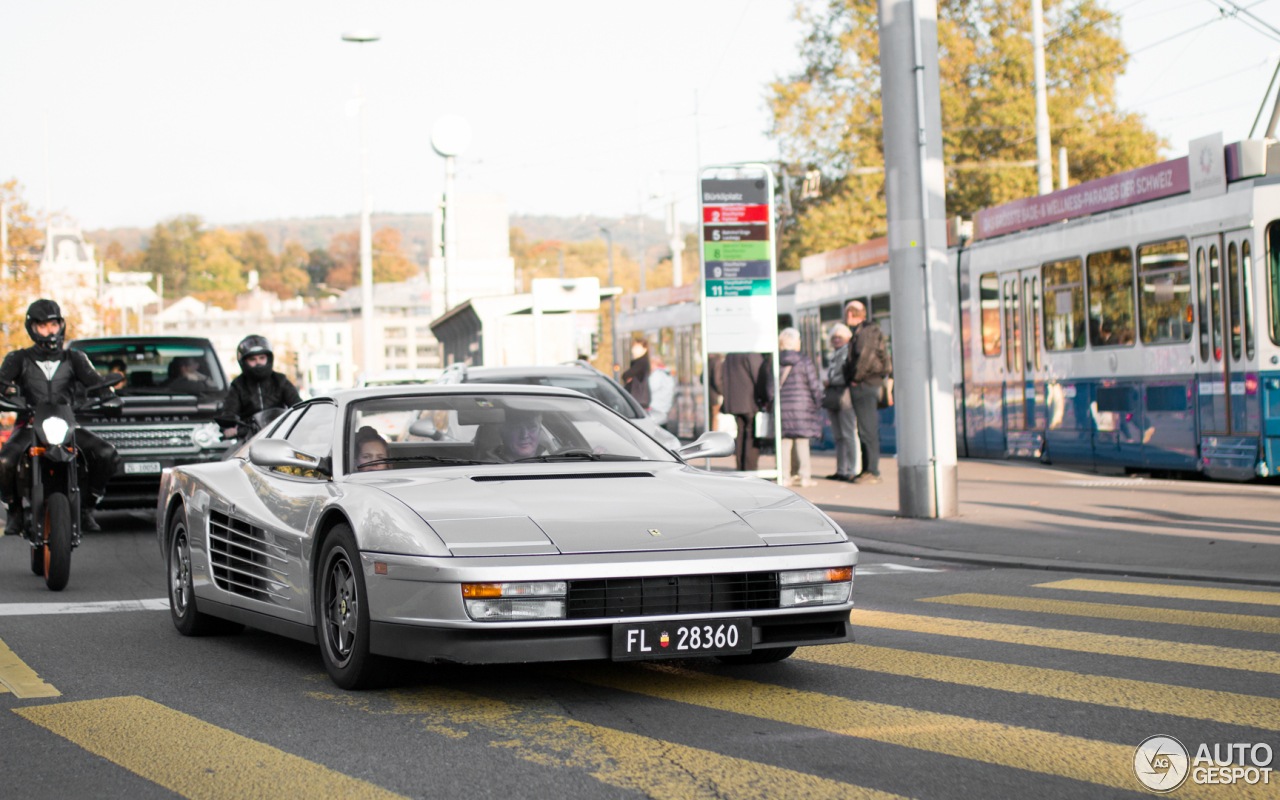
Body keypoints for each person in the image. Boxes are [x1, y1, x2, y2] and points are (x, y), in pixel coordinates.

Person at [0, 300, 122, 534]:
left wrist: (109, 397)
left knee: (107, 454)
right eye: (43, 326)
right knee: (4, 461)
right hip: (30, 424)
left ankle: (86, 507)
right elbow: (2, 381)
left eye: (53, 324)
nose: (49, 331)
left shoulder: (75, 358)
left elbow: (96, 383)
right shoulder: (18, 358)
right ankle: (14, 510)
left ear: (61, 325)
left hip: (67, 425)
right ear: (32, 328)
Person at [841, 300, 892, 484]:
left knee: (867, 428)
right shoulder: (867, 330)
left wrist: (855, 378)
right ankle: (867, 469)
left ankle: (872, 470)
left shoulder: (866, 330)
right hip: (867, 382)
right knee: (864, 428)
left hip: (864, 384)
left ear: (850, 315)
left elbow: (864, 356)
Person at [221, 335, 301, 438]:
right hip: (249, 438)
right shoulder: (238, 385)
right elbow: (229, 410)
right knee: (231, 454)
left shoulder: (280, 380)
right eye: (252, 359)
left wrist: (300, 421)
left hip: (280, 434)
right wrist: (228, 428)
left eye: (262, 358)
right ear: (243, 362)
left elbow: (297, 405)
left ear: (269, 359)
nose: (258, 363)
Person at [777, 328, 822, 487]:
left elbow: (770, 387)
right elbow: (813, 384)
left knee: (784, 443)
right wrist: (817, 402)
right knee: (802, 442)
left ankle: (784, 477)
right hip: (803, 407)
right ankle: (805, 477)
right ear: (795, 343)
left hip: (782, 407)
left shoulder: (775, 360)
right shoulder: (804, 361)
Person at [714, 352, 770, 472]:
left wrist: (727, 395)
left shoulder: (730, 355)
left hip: (735, 401)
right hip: (750, 401)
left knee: (740, 434)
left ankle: (740, 467)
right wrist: (765, 398)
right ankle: (750, 469)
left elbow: (720, 378)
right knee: (751, 436)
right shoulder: (751, 353)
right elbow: (759, 377)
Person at [823, 324, 860, 481]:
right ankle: (841, 469)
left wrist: (830, 381)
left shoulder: (848, 353)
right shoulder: (833, 355)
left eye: (840, 337)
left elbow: (846, 375)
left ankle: (852, 469)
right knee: (838, 436)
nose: (837, 339)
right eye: (834, 337)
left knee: (848, 434)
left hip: (845, 397)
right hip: (834, 397)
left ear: (847, 338)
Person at [646, 353, 675, 429]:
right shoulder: (668, 374)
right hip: (665, 408)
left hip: (656, 409)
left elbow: (649, 388)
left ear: (654, 363)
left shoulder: (657, 374)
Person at [621, 339, 651, 408]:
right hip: (640, 399)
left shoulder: (641, 362)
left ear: (644, 349)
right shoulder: (643, 362)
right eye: (633, 347)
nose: (633, 350)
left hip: (638, 399)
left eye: (637, 348)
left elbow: (626, 375)